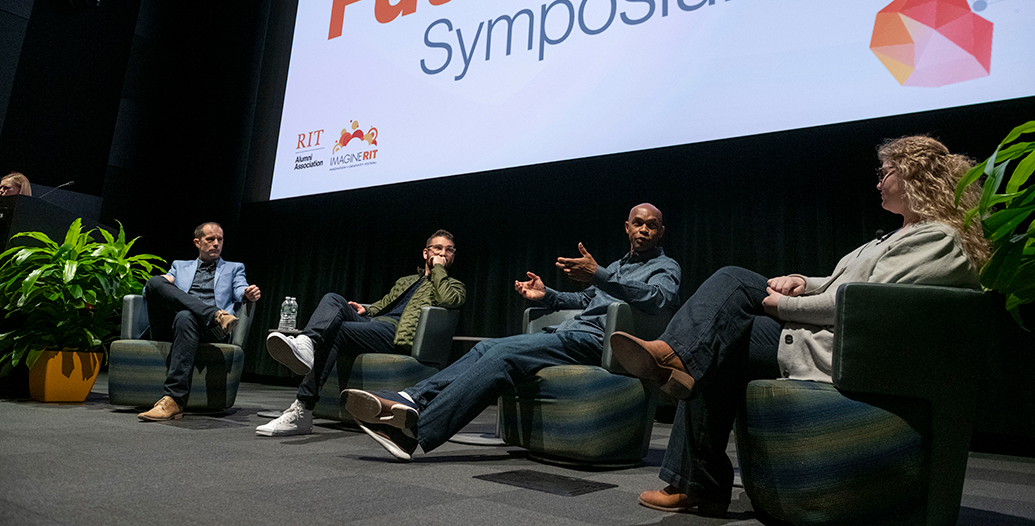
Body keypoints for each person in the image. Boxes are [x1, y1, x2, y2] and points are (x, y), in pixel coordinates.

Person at [609, 136, 990, 516]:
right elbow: (841, 283)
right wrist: (803, 282)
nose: (877, 182)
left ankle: (674, 367)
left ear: (914, 176)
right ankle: (680, 381)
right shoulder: (897, 236)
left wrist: (786, 305)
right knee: (717, 342)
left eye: (885, 172)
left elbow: (865, 303)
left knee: (731, 289)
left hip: (848, 353)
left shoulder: (937, 238)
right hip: (826, 336)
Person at [341, 203, 681, 461]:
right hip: (571, 332)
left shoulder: (665, 268)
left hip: (601, 342)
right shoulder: (618, 267)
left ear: (662, 232)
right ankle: (412, 398)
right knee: (486, 348)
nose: (644, 230)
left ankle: (415, 431)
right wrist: (547, 295)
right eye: (638, 223)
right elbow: (584, 299)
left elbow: (660, 300)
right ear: (627, 227)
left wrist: (600, 275)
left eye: (652, 226)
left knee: (503, 356)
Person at [256, 229, 466, 436]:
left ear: (453, 256)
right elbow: (386, 303)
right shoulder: (407, 280)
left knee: (338, 331)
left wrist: (439, 271)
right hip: (376, 322)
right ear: (425, 252)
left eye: (448, 250)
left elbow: (450, 301)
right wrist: (368, 309)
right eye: (437, 248)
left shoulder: (453, 285)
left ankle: (303, 408)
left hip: (397, 332)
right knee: (333, 299)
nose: (442, 254)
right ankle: (306, 343)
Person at [137, 222, 261, 421]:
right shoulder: (179, 265)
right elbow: (149, 293)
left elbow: (240, 289)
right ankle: (213, 313)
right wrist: (164, 281)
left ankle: (173, 400)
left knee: (186, 316)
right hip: (174, 326)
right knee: (153, 283)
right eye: (210, 239)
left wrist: (248, 292)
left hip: (210, 330)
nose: (216, 244)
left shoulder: (234, 268)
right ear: (197, 242)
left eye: (220, 240)